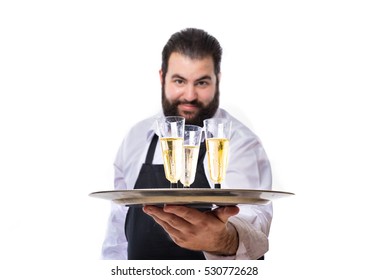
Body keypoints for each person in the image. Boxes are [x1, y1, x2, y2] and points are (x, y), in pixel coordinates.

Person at [101, 28, 273, 260]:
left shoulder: (241, 143)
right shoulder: (136, 137)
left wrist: (222, 239)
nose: (190, 95)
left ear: (217, 80)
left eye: (201, 82)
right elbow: (117, 236)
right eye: (179, 81)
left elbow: (256, 226)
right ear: (162, 77)